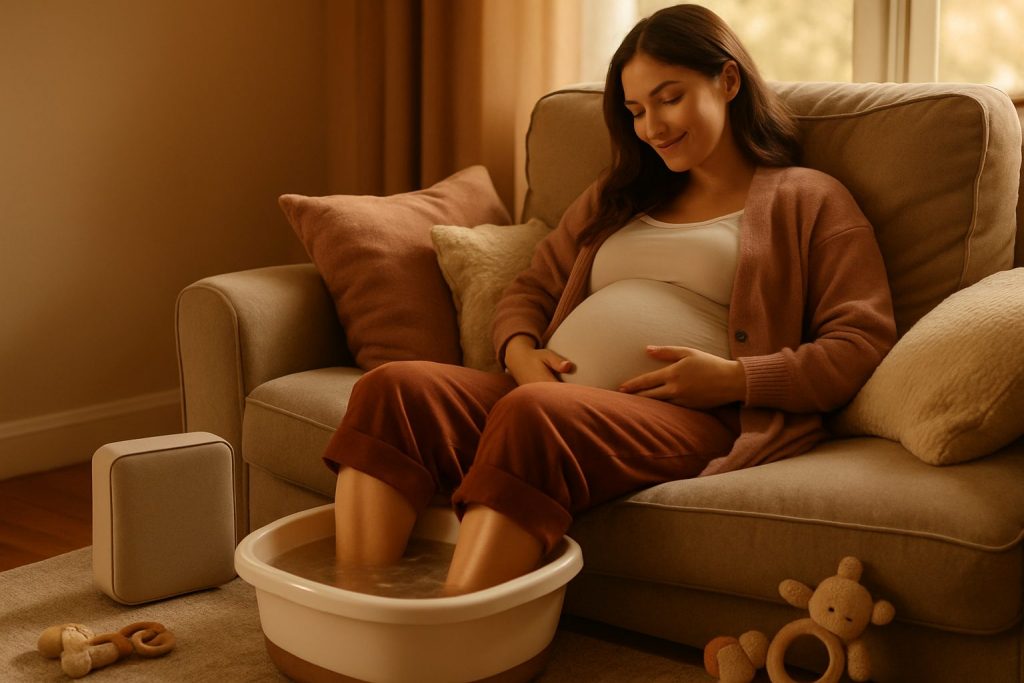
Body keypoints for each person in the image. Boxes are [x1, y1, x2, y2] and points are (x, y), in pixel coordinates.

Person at [322, 3, 896, 595]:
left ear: (727, 81)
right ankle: (360, 608)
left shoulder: (809, 200)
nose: (651, 127)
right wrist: (518, 349)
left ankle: (453, 639)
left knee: (534, 415)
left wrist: (737, 379)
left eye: (669, 98)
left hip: (697, 420)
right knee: (393, 387)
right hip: (549, 396)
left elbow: (860, 342)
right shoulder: (617, 197)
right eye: (636, 110)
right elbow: (533, 287)